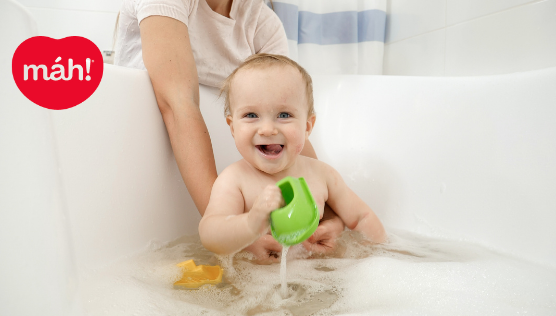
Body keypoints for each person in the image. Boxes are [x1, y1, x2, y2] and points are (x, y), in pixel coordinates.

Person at [113, 0, 346, 262]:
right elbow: (178, 105)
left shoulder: (262, 23)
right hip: (139, 162)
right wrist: (236, 233)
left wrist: (326, 216)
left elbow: (289, 127)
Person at [199, 54, 387, 259]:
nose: (268, 129)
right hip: (255, 284)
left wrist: (380, 258)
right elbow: (210, 233)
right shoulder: (234, 180)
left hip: (318, 276)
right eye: (251, 115)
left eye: (284, 115)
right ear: (233, 127)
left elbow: (362, 217)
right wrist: (250, 225)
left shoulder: (322, 174)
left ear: (307, 127)